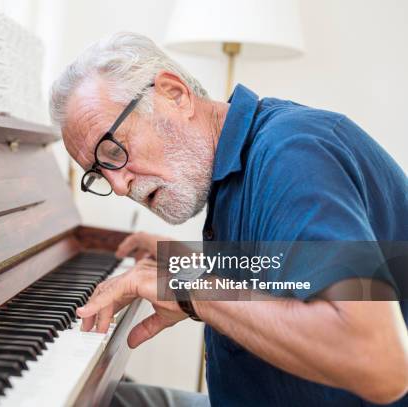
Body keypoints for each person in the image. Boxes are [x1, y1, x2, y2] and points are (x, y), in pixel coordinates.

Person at [49, 32, 408, 406]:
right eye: (98, 174)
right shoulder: (241, 164)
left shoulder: (292, 154)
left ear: (174, 94)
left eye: (113, 152)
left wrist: (190, 290)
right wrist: (189, 260)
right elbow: (285, 269)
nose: (119, 186)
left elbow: (379, 362)